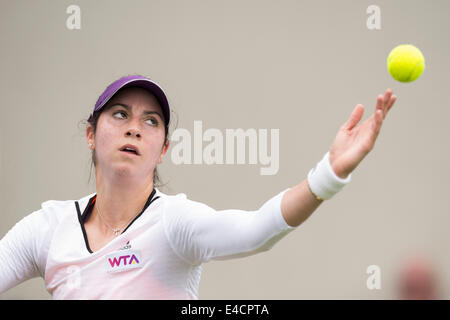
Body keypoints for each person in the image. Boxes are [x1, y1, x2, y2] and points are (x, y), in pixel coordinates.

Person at [0, 74, 397, 299]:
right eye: (120, 114)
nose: (135, 127)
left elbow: (257, 231)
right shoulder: (48, 227)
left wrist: (328, 173)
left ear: (163, 150)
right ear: (91, 134)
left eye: (151, 121)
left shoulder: (174, 222)